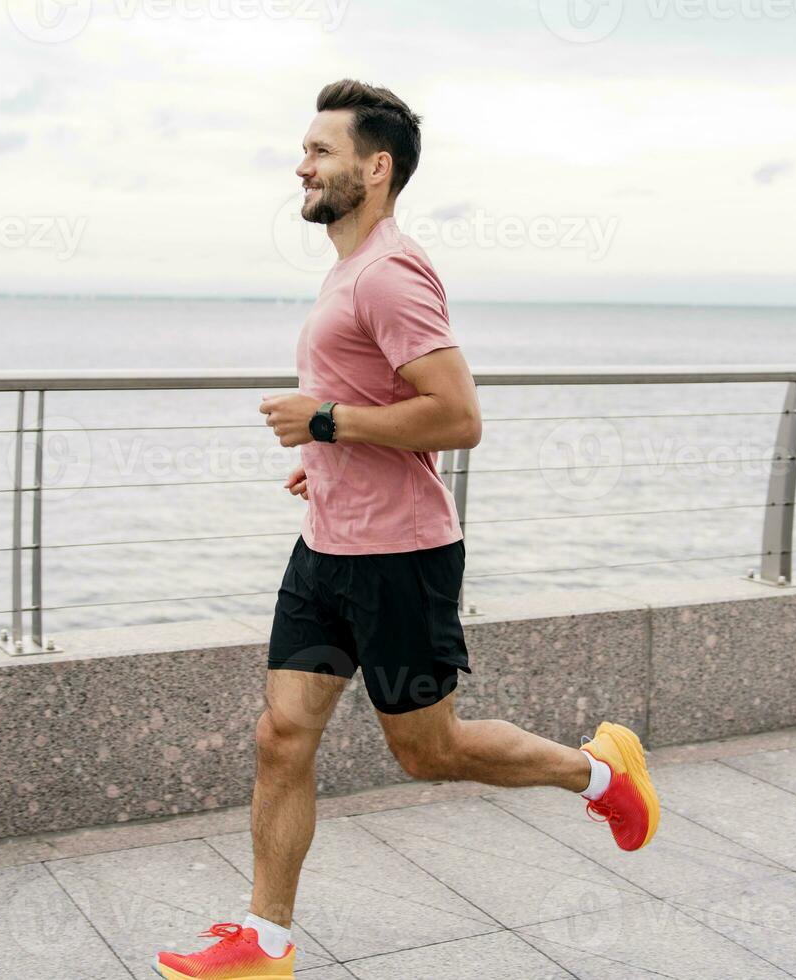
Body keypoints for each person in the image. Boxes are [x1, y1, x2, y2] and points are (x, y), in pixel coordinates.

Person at [153, 79, 659, 980]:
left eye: (320, 150)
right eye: (303, 149)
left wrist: (325, 425)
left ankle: (601, 774)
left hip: (401, 558)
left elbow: (458, 416)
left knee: (430, 752)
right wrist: (331, 457)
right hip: (328, 547)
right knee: (282, 734)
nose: (300, 164)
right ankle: (264, 941)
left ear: (374, 168)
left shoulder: (389, 272)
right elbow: (382, 402)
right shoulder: (346, 269)